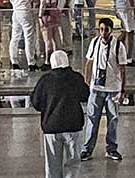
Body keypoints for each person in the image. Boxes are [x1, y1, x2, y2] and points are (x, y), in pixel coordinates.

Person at [32, 50, 91, 178]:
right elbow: (85, 95)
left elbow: (36, 102)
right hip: (73, 126)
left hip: (51, 127)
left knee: (52, 163)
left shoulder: (45, 80)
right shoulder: (76, 77)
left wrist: (47, 109)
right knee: (73, 162)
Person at [81, 17, 129, 162]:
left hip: (112, 88)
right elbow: (89, 62)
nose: (103, 33)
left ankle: (111, 148)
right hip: (96, 87)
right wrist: (86, 82)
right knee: (92, 119)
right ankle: (87, 148)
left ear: (111, 30)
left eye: (106, 30)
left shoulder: (118, 46)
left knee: (113, 119)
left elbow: (122, 69)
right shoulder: (95, 43)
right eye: (101, 29)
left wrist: (122, 89)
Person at [7, 0, 40, 70]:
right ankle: (31, 62)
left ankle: (14, 61)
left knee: (15, 37)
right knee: (29, 36)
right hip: (25, 11)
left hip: (15, 11)